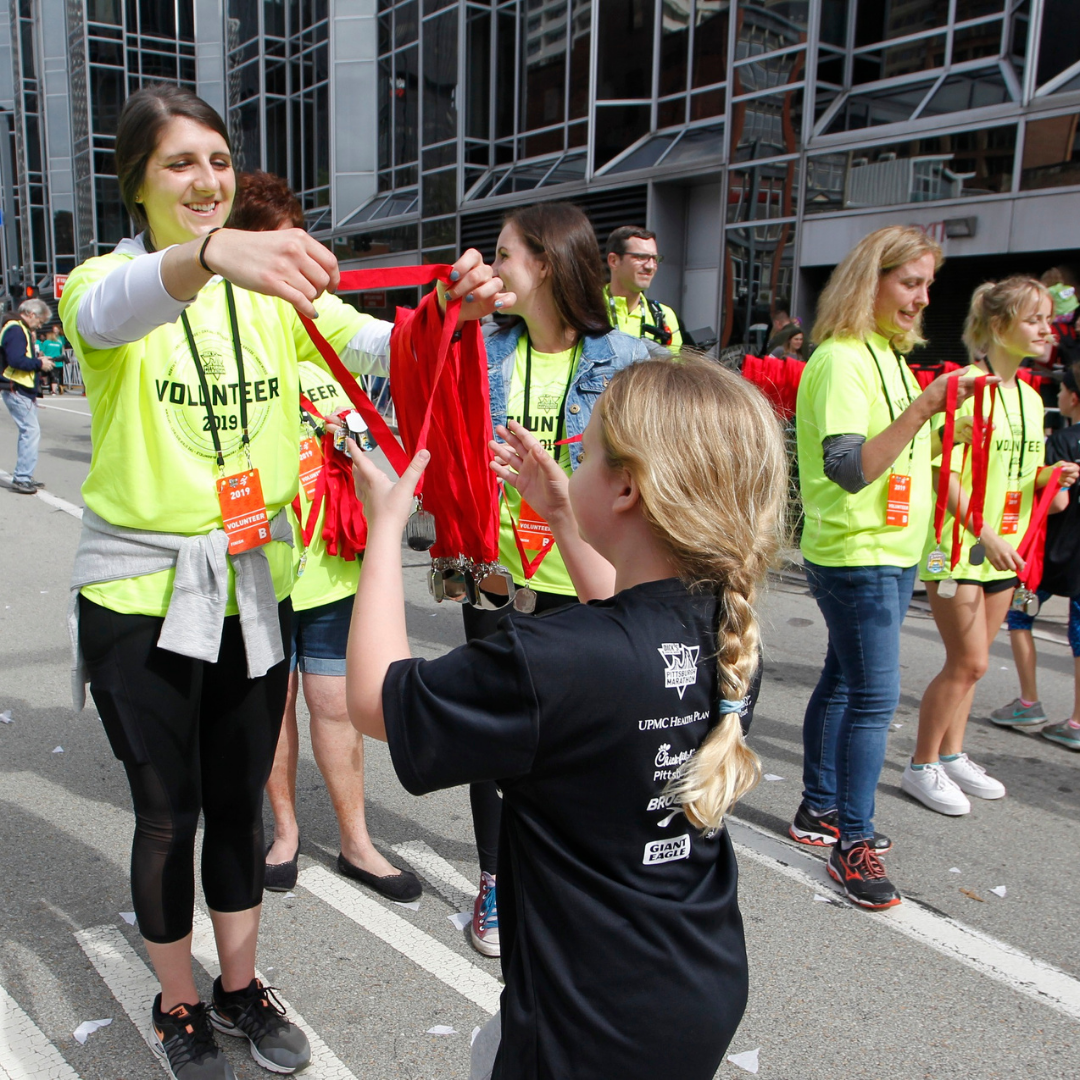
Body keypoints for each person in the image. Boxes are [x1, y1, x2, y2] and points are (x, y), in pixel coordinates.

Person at [59, 85, 501, 1080]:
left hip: (252, 585)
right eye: (181, 163)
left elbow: (379, 346)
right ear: (137, 181)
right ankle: (178, 999)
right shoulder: (107, 283)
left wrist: (447, 304)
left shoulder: (268, 296)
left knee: (241, 807)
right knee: (167, 812)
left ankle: (239, 985)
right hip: (139, 599)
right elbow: (114, 306)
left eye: (218, 160)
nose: (208, 180)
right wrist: (213, 253)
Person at [346, 355, 787, 1080]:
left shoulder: (550, 660)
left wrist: (386, 529)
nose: (569, 461)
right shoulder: (728, 631)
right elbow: (617, 629)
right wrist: (559, 511)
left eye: (583, 452)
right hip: (694, 980)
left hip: (587, 1018)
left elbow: (375, 699)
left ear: (625, 487)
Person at [462, 203, 649, 958]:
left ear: (542, 263)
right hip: (496, 579)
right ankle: (497, 877)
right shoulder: (479, 349)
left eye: (503, 255)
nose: (493, 267)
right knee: (495, 740)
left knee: (585, 741)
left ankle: (576, 874)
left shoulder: (630, 360)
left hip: (586, 576)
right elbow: (406, 411)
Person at [230, 169, 422, 899]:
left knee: (336, 705)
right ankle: (284, 831)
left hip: (333, 567)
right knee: (273, 703)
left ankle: (356, 842)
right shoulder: (233, 343)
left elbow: (383, 343)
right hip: (261, 562)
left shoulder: (319, 332)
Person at [792, 225, 976, 910]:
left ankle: (821, 811)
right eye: (910, 283)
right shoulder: (841, 359)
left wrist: (931, 423)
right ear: (870, 280)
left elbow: (897, 452)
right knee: (872, 698)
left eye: (927, 286)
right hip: (856, 549)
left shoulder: (887, 357)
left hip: (890, 550)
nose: (922, 299)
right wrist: (926, 408)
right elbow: (848, 468)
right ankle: (853, 842)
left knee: (845, 682)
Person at [906, 277, 1080, 815]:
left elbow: (1024, 479)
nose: (1046, 330)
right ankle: (921, 765)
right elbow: (939, 472)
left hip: (1007, 550)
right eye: (1034, 319)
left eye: (1047, 319)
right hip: (956, 549)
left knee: (974, 665)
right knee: (971, 661)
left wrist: (1052, 482)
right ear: (999, 325)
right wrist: (987, 535)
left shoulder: (1031, 396)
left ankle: (953, 754)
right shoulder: (963, 387)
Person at [989, 361, 1080, 751]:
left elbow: (1057, 501)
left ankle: (1029, 702)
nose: (1057, 396)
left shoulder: (1062, 441)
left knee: (1018, 615)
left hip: (1053, 551)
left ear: (1072, 398)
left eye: (1060, 391)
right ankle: (1076, 721)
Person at [603, 225, 683, 353]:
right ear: (614, 261)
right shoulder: (586, 310)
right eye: (640, 257)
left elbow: (676, 368)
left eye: (655, 259)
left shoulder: (664, 316)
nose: (650, 266)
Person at [1, 298, 53, 492]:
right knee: (30, 432)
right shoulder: (16, 329)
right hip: (17, 388)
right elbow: (16, 360)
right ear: (31, 314)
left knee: (29, 431)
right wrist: (39, 364)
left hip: (18, 388)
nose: (39, 326)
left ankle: (24, 475)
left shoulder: (15, 327)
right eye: (39, 322)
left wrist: (37, 361)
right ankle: (22, 477)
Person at [37, 325, 66, 394]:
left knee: (46, 375)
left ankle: (46, 384)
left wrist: (40, 357)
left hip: (48, 361)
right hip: (57, 362)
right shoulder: (59, 343)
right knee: (55, 377)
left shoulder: (46, 342)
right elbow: (62, 352)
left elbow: (41, 352)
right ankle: (54, 391)